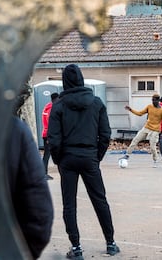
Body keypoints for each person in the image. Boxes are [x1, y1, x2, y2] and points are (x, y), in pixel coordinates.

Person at [48, 64, 120, 258]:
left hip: (68, 158)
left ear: (65, 82)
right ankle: (111, 242)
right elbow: (105, 134)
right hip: (89, 156)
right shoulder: (96, 103)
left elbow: (54, 139)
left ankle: (76, 247)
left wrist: (58, 160)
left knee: (69, 204)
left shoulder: (59, 106)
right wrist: (97, 157)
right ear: (81, 79)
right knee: (100, 200)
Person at [6, 87, 54, 259]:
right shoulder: (12, 130)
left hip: (46, 135)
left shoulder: (48, 108)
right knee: (46, 157)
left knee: (46, 157)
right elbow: (39, 215)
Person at [121, 94, 162, 168]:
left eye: (155, 100)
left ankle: (155, 160)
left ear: (158, 101)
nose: (153, 102)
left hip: (155, 130)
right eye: (152, 100)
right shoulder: (149, 107)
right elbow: (140, 113)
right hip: (146, 127)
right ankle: (127, 155)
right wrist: (131, 110)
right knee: (135, 140)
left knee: (152, 146)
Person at [41, 92, 59, 180]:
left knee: (47, 154)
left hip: (46, 133)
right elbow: (50, 122)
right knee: (47, 154)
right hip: (49, 134)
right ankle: (43, 173)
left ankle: (43, 173)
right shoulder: (51, 108)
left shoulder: (47, 106)